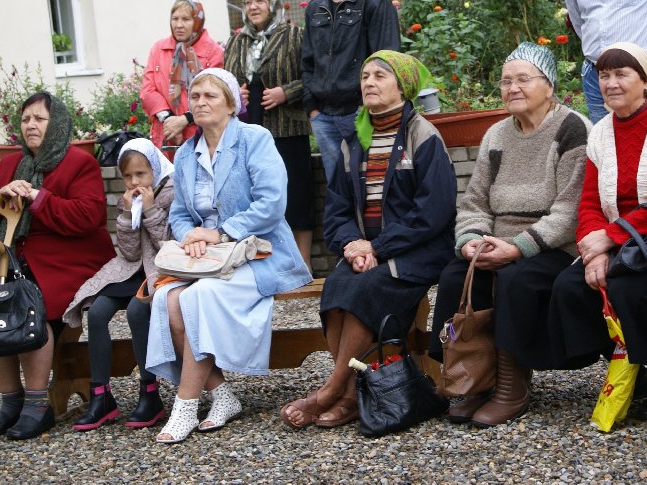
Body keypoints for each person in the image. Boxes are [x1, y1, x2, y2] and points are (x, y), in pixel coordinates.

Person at [282, 51, 456, 429]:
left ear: (402, 87)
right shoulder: (355, 140)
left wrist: (378, 247)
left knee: (364, 291)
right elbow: (337, 210)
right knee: (337, 288)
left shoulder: (423, 135)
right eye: (365, 76)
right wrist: (351, 246)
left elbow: (433, 213)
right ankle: (349, 394)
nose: (369, 82)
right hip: (367, 250)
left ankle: (333, 391)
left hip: (418, 250)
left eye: (380, 75)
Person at [146, 68, 312, 444]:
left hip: (261, 253)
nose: (200, 102)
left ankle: (185, 406)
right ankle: (222, 396)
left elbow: (272, 203)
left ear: (232, 104)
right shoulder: (185, 154)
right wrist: (191, 237)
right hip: (209, 258)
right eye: (195, 96)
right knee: (167, 301)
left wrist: (220, 233)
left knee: (198, 297)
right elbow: (179, 214)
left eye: (210, 96)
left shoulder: (255, 139)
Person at [429, 42, 591, 427]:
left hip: (555, 246)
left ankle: (510, 388)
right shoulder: (497, 134)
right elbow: (475, 201)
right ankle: (474, 378)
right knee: (455, 275)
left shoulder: (572, 128)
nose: (512, 88)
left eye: (523, 79)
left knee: (515, 279)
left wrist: (517, 248)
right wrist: (471, 240)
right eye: (505, 82)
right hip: (496, 242)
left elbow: (570, 210)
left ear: (549, 86)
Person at [550, 43, 647, 420]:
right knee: (570, 288)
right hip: (617, 243)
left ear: (646, 80)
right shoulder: (601, 132)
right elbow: (589, 203)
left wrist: (612, 237)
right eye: (604, 75)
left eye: (621, 74)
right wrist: (595, 252)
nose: (611, 83)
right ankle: (641, 378)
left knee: (628, 288)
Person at [0, 92, 116, 440]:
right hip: (16, 257)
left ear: (57, 125)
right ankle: (12, 401)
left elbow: (88, 217)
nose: (31, 125)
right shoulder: (10, 165)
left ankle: (38, 405)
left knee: (27, 307)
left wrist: (38, 198)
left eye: (39, 118)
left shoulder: (78, 163)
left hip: (70, 259)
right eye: (26, 119)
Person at [63, 139, 175, 431]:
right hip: (132, 269)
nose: (134, 182)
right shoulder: (127, 200)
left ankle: (150, 393)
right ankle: (101, 396)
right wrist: (126, 214)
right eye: (128, 176)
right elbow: (129, 253)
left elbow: (167, 245)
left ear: (154, 170)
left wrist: (150, 210)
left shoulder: (171, 193)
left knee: (138, 311)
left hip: (160, 268)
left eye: (141, 174)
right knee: (97, 312)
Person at [224, 0, 315, 268]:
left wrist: (286, 92)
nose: (253, 7)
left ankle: (303, 263)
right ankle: (271, 263)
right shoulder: (237, 41)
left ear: (273, 4)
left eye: (260, 1)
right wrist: (235, 94)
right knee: (258, 197)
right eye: (248, 2)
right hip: (249, 131)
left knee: (297, 196)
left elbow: (312, 76)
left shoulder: (294, 35)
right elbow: (224, 81)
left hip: (288, 130)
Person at [301, 0, 401, 182]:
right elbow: (307, 62)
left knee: (370, 183)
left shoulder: (375, 2)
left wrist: (368, 106)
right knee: (337, 189)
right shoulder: (315, 8)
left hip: (361, 113)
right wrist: (312, 109)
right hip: (324, 117)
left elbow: (387, 60)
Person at [141, 0, 224, 149]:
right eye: (175, 19)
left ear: (197, 21)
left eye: (186, 19)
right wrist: (169, 120)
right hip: (167, 135)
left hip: (202, 136)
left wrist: (184, 120)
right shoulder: (159, 49)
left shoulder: (214, 52)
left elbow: (215, 95)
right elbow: (148, 91)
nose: (179, 25)